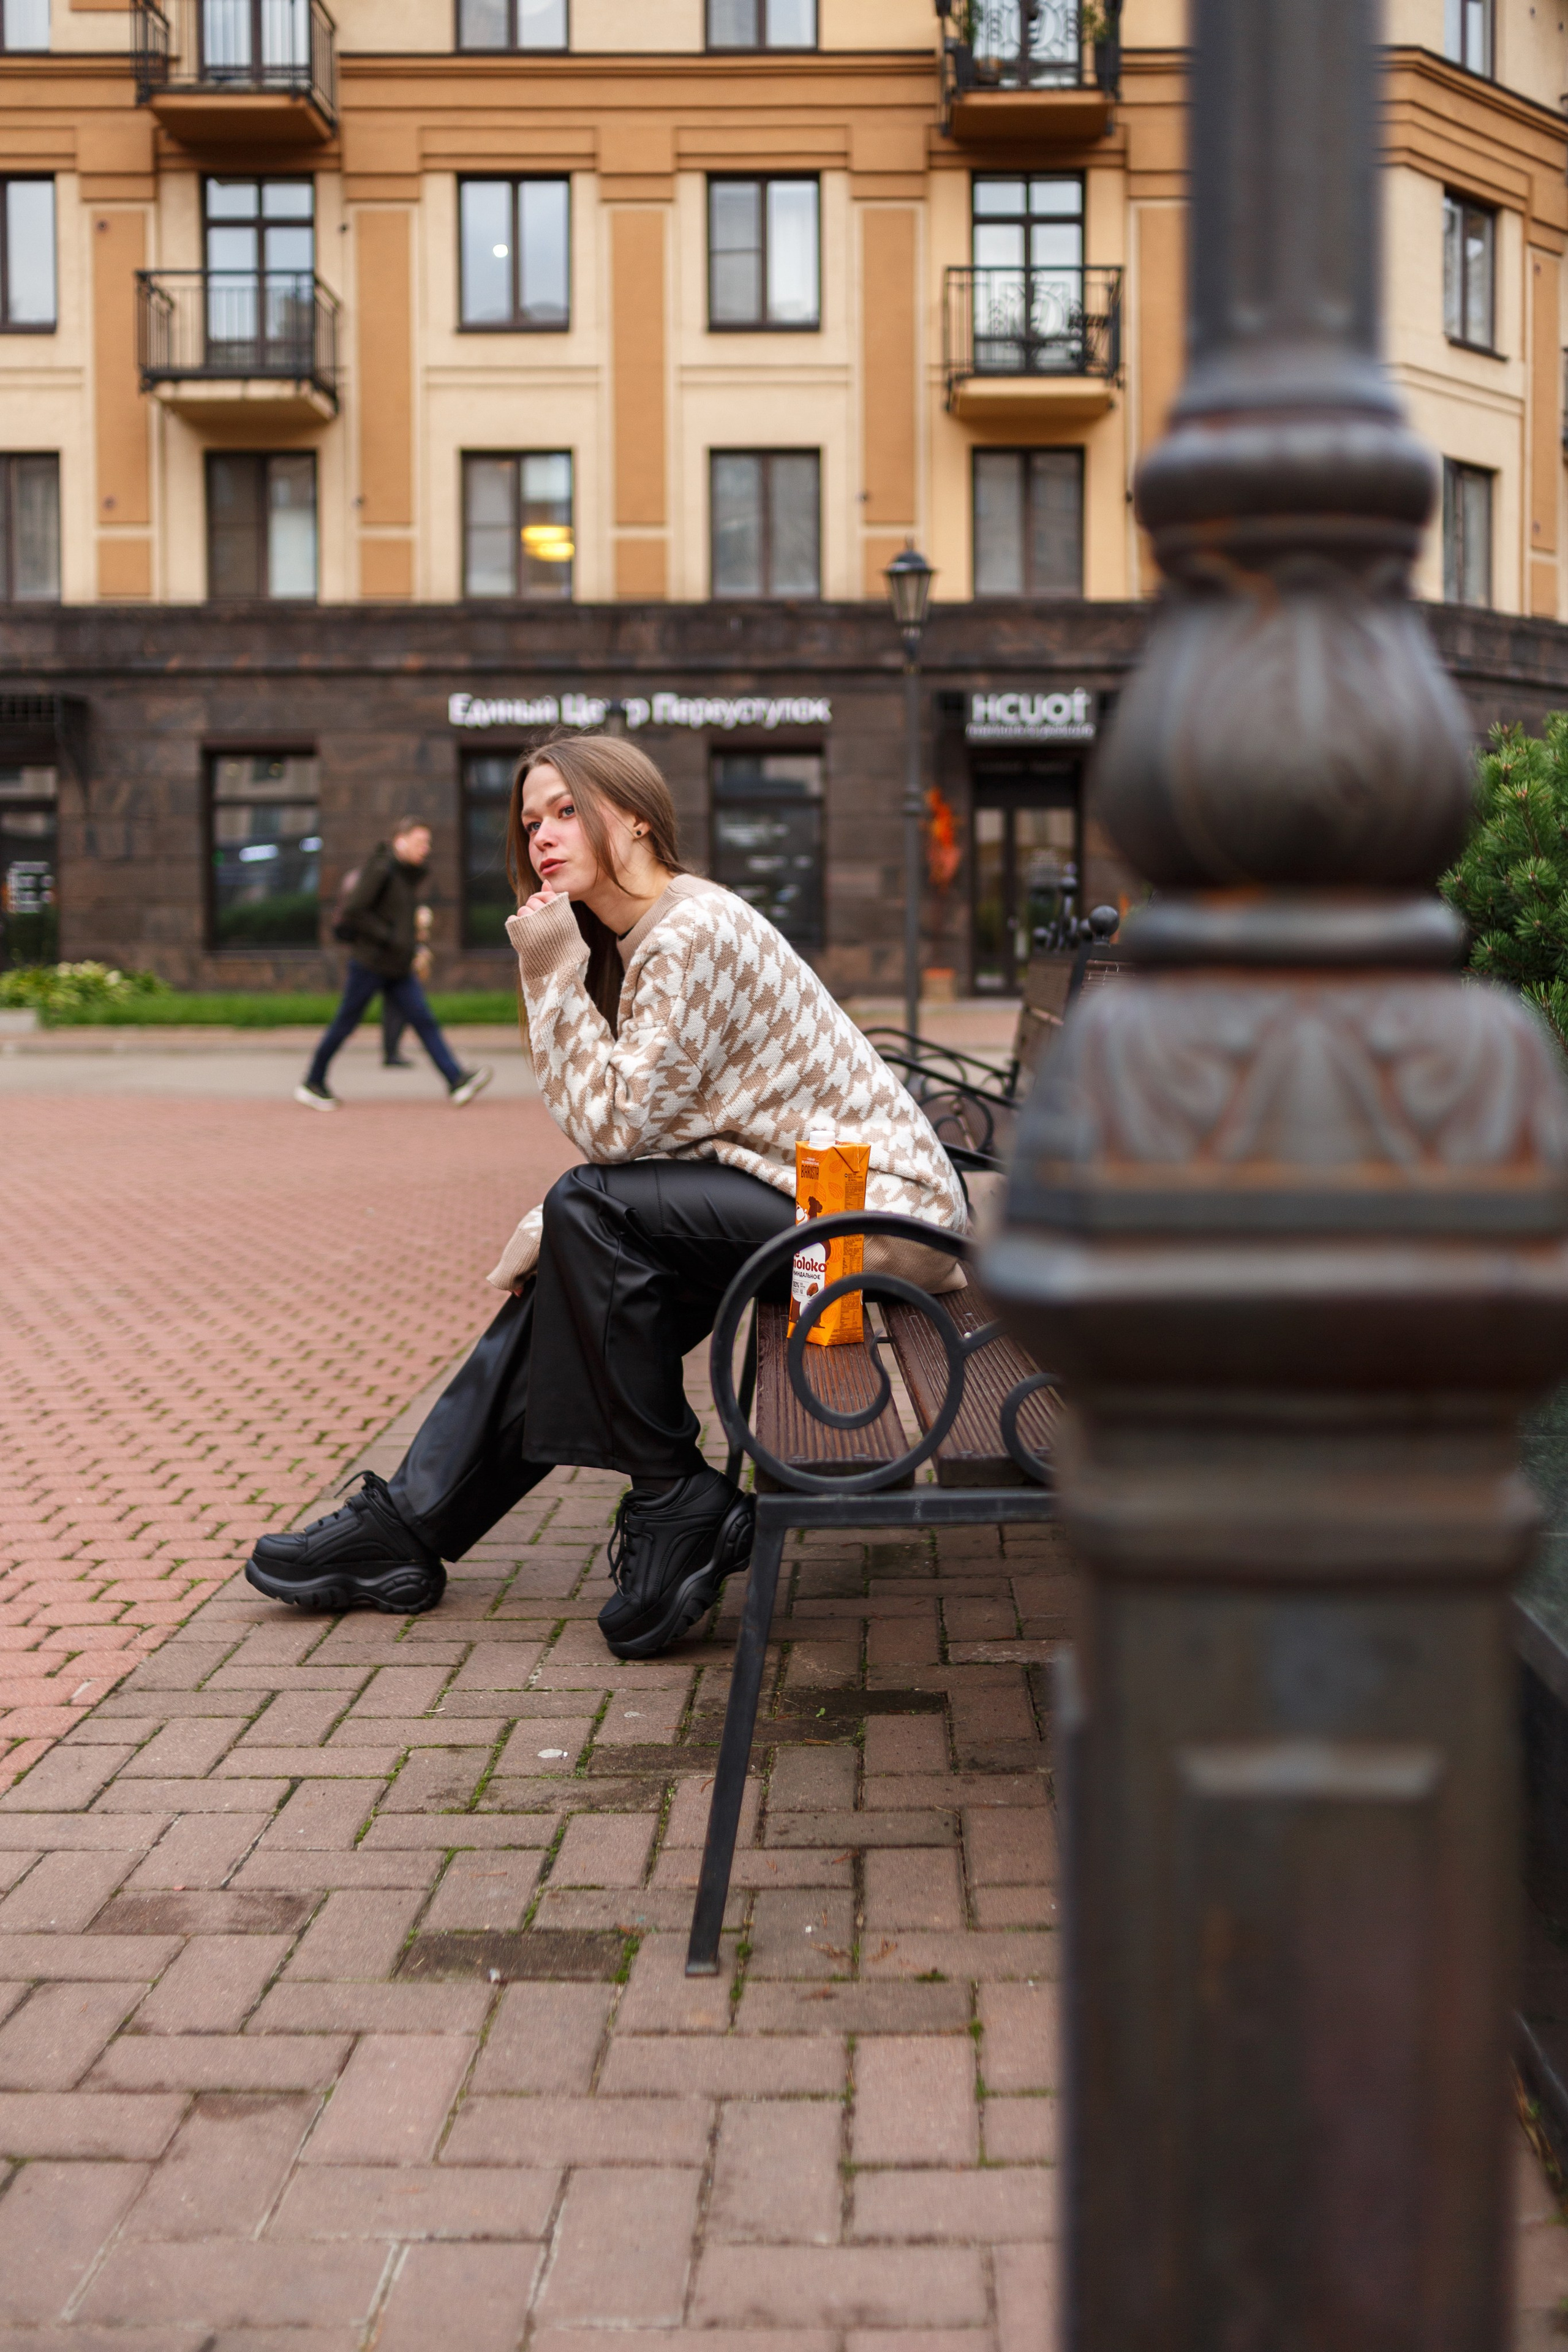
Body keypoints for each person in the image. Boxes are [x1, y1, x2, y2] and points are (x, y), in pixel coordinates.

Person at [251, 737, 965, 1660]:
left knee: (590, 1213)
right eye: (530, 821)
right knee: (577, 1270)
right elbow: (652, 1136)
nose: (542, 837)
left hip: (875, 1219)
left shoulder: (687, 932)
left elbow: (618, 1134)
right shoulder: (644, 935)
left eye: (564, 811)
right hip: (803, 1200)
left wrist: (549, 968)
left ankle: (672, 1495)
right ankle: (413, 1526)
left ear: (634, 814)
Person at [296, 820, 491, 1109]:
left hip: (396, 967)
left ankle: (456, 1080)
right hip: (371, 964)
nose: (426, 849)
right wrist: (390, 937)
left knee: (424, 1020)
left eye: (427, 843)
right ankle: (313, 1082)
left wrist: (409, 942)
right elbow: (354, 911)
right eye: (420, 842)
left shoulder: (405, 874)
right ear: (400, 840)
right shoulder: (381, 869)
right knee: (346, 1023)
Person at [381, 905, 434, 1067]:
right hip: (401, 974)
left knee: (394, 1014)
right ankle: (391, 1053)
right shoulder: (407, 932)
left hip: (396, 973)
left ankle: (392, 1051)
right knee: (401, 1014)